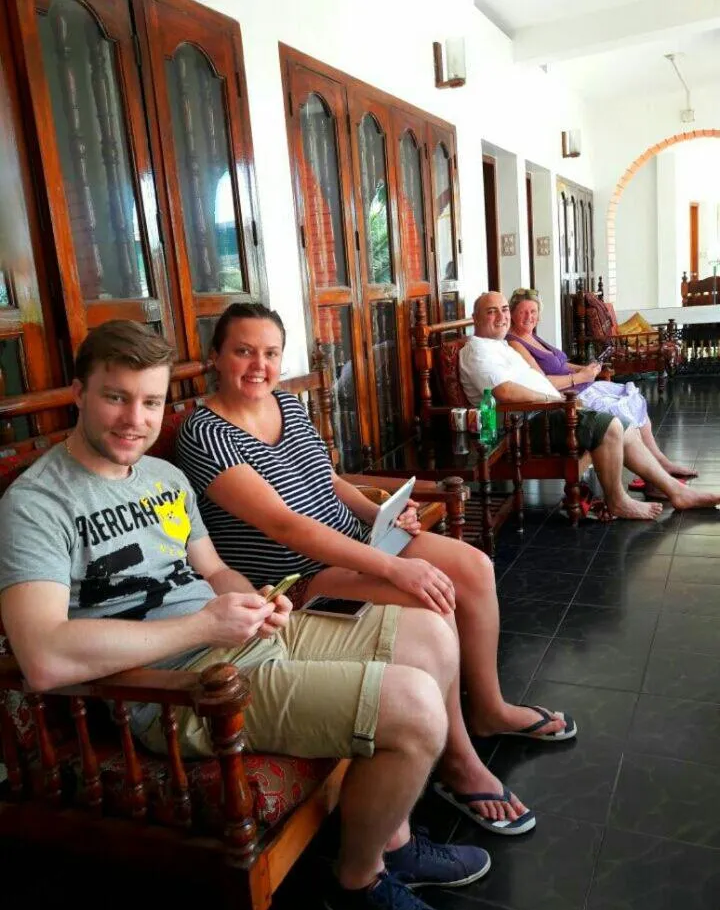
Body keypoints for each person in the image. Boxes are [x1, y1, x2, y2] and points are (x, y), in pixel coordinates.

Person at [0, 320, 492, 910]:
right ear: (79, 394)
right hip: (180, 692)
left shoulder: (161, 479)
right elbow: (42, 656)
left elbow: (211, 569)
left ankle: (393, 839)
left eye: (149, 402)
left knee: (429, 633)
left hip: (239, 641)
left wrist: (254, 600)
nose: (134, 419)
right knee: (416, 706)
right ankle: (357, 881)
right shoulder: (36, 503)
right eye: (114, 397)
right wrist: (206, 625)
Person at [175, 302, 576, 834]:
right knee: (427, 595)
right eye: (243, 351)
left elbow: (327, 476)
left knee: (473, 567)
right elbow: (287, 528)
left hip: (356, 539)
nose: (258, 365)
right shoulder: (203, 433)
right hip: (302, 575)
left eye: (270, 353)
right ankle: (457, 760)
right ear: (216, 358)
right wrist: (392, 570)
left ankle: (489, 708)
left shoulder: (288, 406)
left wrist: (382, 512)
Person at [459, 292, 720, 519]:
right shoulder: (478, 350)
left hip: (547, 410)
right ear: (476, 318)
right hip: (525, 423)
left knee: (627, 428)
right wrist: (554, 399)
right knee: (611, 426)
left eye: (504, 309)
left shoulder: (500, 346)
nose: (502, 316)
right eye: (492, 311)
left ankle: (676, 492)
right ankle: (617, 501)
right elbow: (505, 392)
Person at [506, 287, 698, 493]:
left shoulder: (532, 337)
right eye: (523, 312)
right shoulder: (515, 343)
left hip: (583, 386)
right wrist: (580, 377)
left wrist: (587, 369)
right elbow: (541, 382)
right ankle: (650, 477)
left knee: (634, 399)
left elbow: (561, 365)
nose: (529, 317)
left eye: (533, 312)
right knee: (621, 411)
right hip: (571, 397)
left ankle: (660, 462)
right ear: (512, 313)